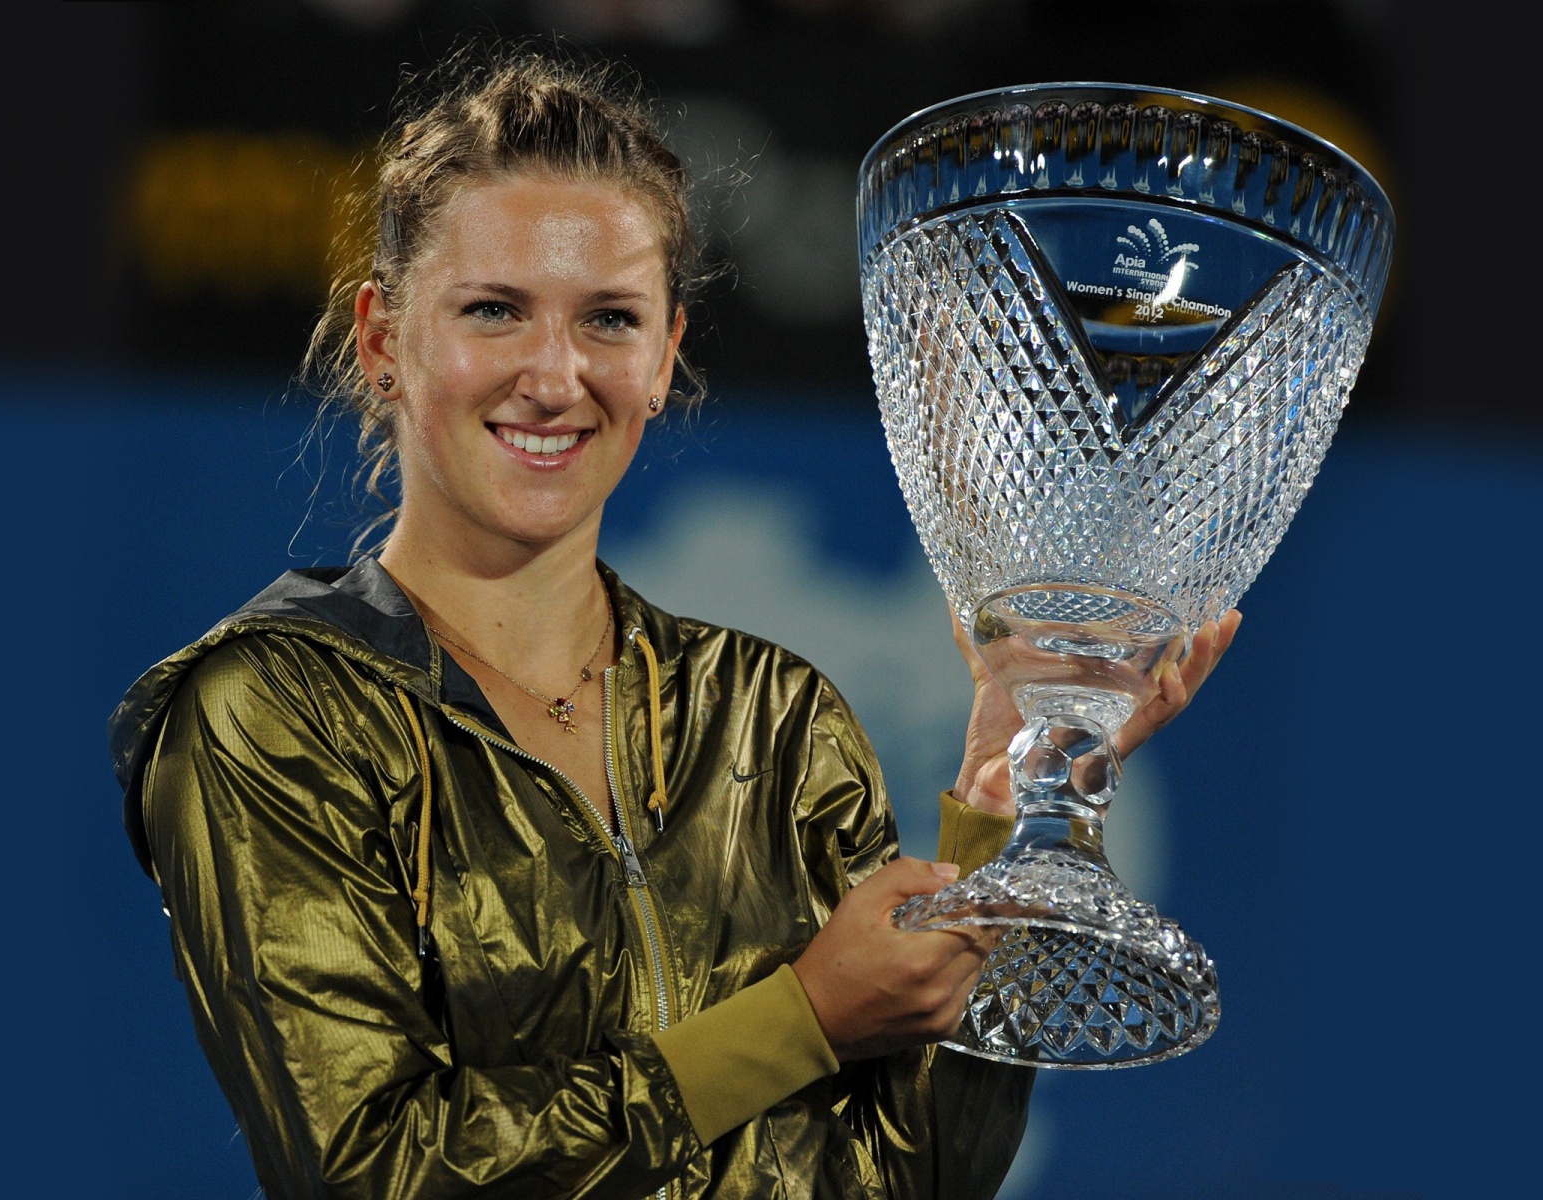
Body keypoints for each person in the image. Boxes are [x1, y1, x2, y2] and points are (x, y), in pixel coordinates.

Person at [107, 47, 1238, 1200]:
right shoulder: (271, 706)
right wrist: (797, 1021)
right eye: (494, 310)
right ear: (385, 340)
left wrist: (1001, 808)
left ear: (663, 359)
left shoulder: (773, 715)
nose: (554, 376)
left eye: (608, 319)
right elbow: (370, 1171)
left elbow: (916, 1178)